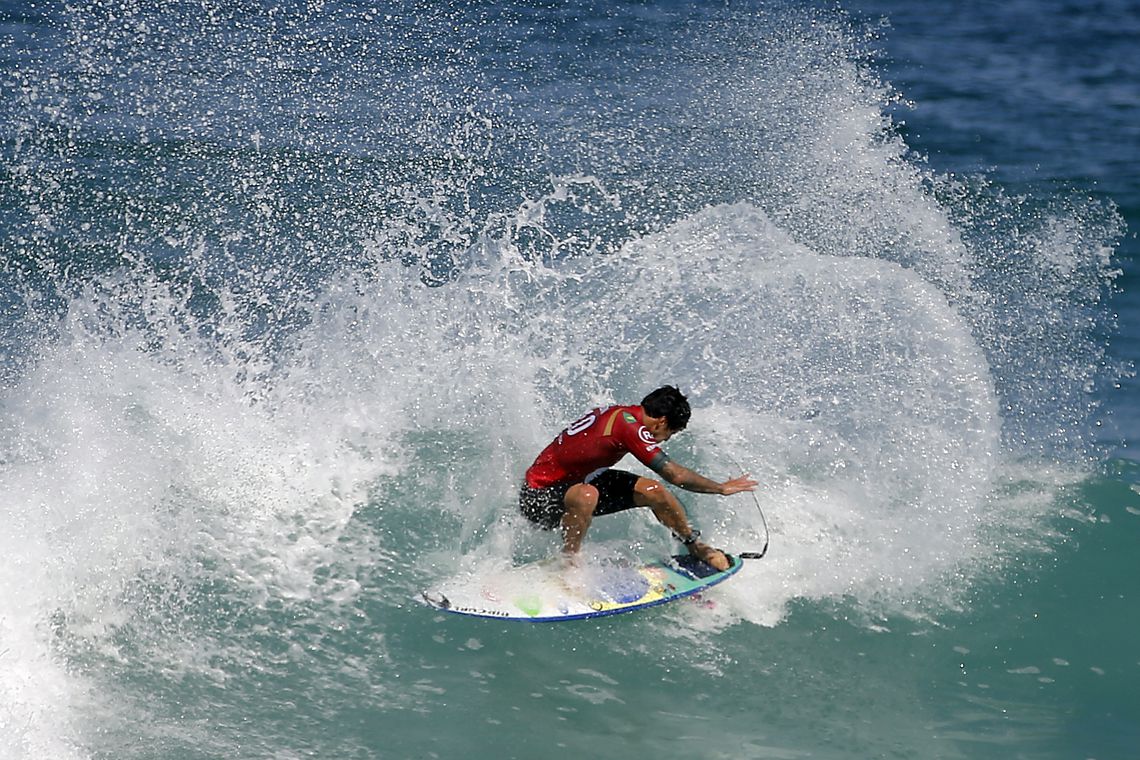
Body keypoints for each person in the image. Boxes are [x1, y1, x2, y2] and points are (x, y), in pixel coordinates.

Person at [519, 386, 757, 571]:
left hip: (574, 482)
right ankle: (568, 563)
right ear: (662, 421)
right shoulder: (629, 426)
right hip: (539, 497)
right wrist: (721, 488)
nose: (666, 438)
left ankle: (694, 545)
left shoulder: (622, 414)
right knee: (587, 494)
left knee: (654, 491)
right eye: (671, 433)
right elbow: (675, 474)